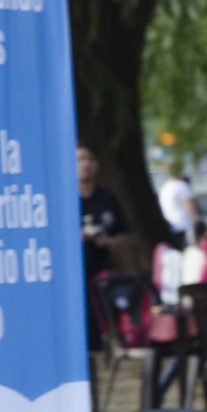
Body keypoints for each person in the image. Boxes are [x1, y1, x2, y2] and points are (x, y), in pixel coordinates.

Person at [78, 143, 132, 350]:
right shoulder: (64, 199)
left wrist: (106, 241)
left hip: (101, 275)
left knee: (103, 325)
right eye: (80, 159)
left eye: (89, 159)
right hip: (75, 276)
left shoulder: (107, 198)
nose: (85, 164)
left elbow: (125, 236)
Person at [158, 160, 199, 245]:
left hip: (172, 228)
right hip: (185, 228)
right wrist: (198, 223)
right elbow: (190, 208)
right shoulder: (181, 186)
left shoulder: (164, 188)